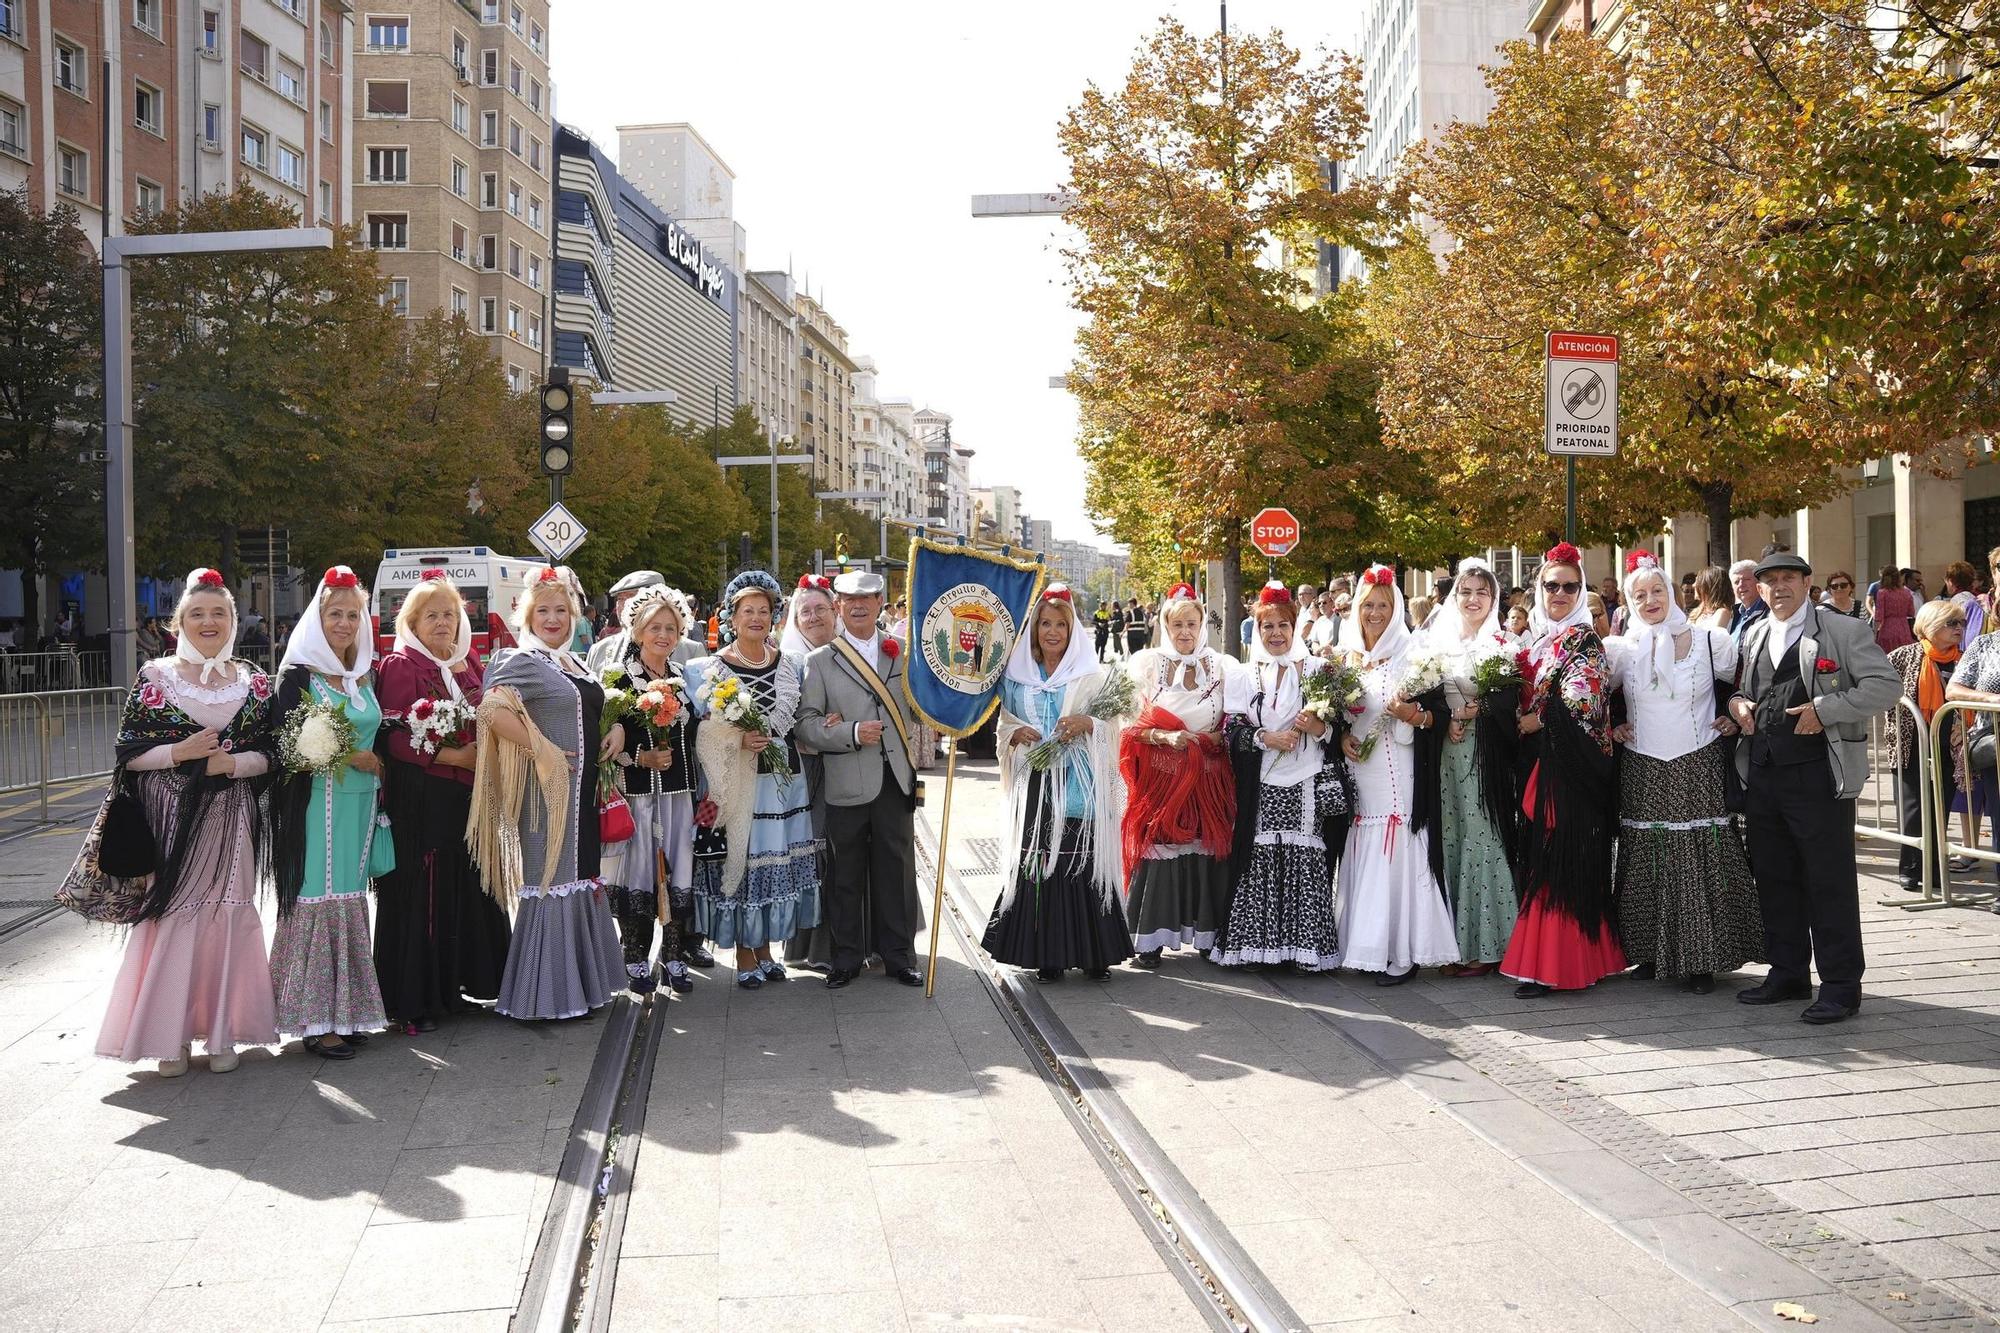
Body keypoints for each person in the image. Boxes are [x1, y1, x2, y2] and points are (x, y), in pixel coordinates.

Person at [92, 569, 279, 1074]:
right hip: (170, 821)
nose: (209, 621)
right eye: (197, 613)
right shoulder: (156, 677)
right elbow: (128, 754)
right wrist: (180, 751)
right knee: (175, 916)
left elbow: (273, 753)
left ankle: (223, 1036)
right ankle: (167, 1038)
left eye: (219, 613)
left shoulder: (255, 684)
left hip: (232, 820)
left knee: (227, 913)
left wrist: (233, 764)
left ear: (234, 621)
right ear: (179, 623)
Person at [1728, 552, 1898, 1023]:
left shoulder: (1841, 630)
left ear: (1808, 583)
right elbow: (1748, 688)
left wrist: (1826, 709)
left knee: (1829, 883)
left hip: (1818, 776)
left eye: (1788, 578)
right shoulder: (1756, 631)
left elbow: (1885, 685)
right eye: (1769, 581)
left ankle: (1841, 986)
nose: (1778, 587)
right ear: (1759, 590)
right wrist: (1739, 703)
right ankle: (1787, 972)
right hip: (1763, 772)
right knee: (1776, 878)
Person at [468, 566, 627, 1021]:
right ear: (526, 614)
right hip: (546, 795)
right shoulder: (518, 660)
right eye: (543, 610)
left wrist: (613, 728)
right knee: (552, 879)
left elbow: (591, 709)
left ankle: (581, 986)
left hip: (584, 791)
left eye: (561, 610)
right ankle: (547, 995)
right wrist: (542, 750)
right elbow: (491, 712)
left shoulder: (575, 662)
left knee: (579, 874)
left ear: (575, 615)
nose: (553, 619)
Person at [1604, 554, 1761, 994]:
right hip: (1643, 762)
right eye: (1639, 595)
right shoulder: (1622, 649)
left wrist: (1732, 714)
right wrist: (1614, 724)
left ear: (1673, 593)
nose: (1649, 600)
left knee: (1697, 851)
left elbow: (1741, 685)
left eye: (1657, 591)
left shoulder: (1713, 641)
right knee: (1648, 852)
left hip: (1698, 758)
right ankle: (1650, 951)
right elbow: (1602, 698)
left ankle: (1701, 958)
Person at [375, 573, 509, 1033]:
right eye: (431, 615)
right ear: (410, 621)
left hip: (468, 794)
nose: (442, 623)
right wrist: (452, 754)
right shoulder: (400, 665)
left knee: (462, 887)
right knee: (425, 894)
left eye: (449, 614)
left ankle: (453, 988)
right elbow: (391, 737)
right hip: (424, 797)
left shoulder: (468, 662)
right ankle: (418, 1001)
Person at [268, 566, 390, 1059]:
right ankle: (314, 1019)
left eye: (352, 614)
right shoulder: (297, 674)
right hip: (315, 806)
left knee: (349, 896)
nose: (344, 623)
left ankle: (346, 1011)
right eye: (334, 614)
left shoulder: (364, 673)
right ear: (316, 619)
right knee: (318, 895)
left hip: (360, 806)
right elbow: (283, 743)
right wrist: (349, 756)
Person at [1500, 543, 1628, 997]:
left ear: (1581, 591)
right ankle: (1567, 958)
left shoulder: (1584, 640)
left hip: (1569, 771)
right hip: (1537, 763)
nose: (1559, 592)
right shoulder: (1535, 639)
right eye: (1551, 585)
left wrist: (1537, 717)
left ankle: (1552, 965)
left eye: (1569, 586)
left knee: (1559, 864)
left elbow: (1584, 700)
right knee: (1542, 859)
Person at [685, 571, 822, 990]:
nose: (757, 618)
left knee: (774, 857)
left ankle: (765, 950)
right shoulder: (704, 669)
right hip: (735, 780)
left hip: (783, 782)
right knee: (741, 857)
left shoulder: (792, 666)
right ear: (732, 617)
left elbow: (796, 721)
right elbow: (700, 732)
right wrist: (737, 737)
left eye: (764, 611)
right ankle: (744, 951)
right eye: (748, 611)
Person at [986, 586, 1130, 981]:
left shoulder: (1090, 678)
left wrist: (1089, 724)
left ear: (1072, 631)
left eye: (1061, 625)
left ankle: (1094, 952)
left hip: (1080, 785)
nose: (1052, 632)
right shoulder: (1015, 679)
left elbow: (1113, 727)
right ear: (1034, 629)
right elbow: (1004, 726)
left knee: (1080, 859)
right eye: (1045, 624)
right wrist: (1014, 736)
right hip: (1035, 783)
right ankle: (1047, 954)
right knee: (1039, 862)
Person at [795, 568, 924, 989]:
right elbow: (806, 725)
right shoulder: (820, 661)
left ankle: (899, 957)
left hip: (894, 778)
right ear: (839, 607)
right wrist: (849, 733)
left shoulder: (904, 653)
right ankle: (845, 958)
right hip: (846, 781)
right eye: (849, 601)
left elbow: (924, 707)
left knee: (897, 871)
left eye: (866, 600)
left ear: (880, 605)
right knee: (844, 874)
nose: (857, 607)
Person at [1329, 567, 1459, 983]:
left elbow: (1438, 715)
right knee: (1367, 843)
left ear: (1396, 607)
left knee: (1400, 845)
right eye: (1368, 604)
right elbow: (1336, 715)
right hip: (1362, 772)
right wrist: (1342, 737)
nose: (1375, 612)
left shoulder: (1413, 653)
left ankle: (1404, 951)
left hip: (1401, 771)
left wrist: (1413, 715)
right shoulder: (1344, 657)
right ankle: (1369, 945)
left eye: (1383, 605)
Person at [1212, 581, 1348, 971]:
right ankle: (1259, 948)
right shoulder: (1243, 675)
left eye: (1282, 626)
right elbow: (1230, 731)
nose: (1275, 634)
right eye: (1267, 627)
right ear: (1258, 631)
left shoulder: (1321, 671)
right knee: (1260, 859)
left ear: (1294, 628)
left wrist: (1318, 727)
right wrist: (1263, 736)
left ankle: (1302, 950)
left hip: (1307, 779)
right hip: (1263, 783)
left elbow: (1341, 734)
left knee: (1305, 858)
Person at [1121, 583, 1236, 968]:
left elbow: (1238, 717)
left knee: (1206, 847)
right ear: (1165, 627)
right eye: (1177, 625)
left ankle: (1206, 935)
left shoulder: (1222, 666)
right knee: (1161, 848)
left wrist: (1220, 736)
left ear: (1202, 625)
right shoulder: (1147, 664)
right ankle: (1151, 938)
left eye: (1191, 623)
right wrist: (1164, 735)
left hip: (1207, 773)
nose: (1185, 632)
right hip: (1163, 773)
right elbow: (1128, 722)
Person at [598, 584, 702, 997]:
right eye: (655, 627)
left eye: (671, 628)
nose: (663, 635)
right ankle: (634, 955)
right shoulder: (617, 680)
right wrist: (640, 758)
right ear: (638, 631)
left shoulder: (684, 678)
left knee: (678, 868)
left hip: (678, 793)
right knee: (640, 872)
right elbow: (605, 745)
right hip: (638, 794)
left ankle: (674, 954)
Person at [1423, 558, 1518, 977]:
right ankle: (1456, 942)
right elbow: (1427, 698)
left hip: (1485, 755)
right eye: (1466, 591)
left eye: (1482, 592)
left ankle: (1491, 945)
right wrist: (1449, 718)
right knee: (1453, 836)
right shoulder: (1436, 645)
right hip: (1446, 754)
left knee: (1484, 836)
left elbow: (1513, 703)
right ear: (1454, 597)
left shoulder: (1506, 644)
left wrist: (1476, 712)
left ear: (1493, 597)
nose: (1474, 599)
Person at [779, 575, 848, 971]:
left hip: (847, 764)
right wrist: (818, 727)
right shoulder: (785, 658)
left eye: (821, 608)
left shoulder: (846, 652)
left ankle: (846, 938)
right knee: (810, 847)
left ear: (833, 611)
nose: (813, 616)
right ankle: (808, 944)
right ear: (795, 617)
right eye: (805, 611)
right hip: (804, 769)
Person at [1886, 599, 1968, 891]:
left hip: (1951, 743)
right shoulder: (1904, 655)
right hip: (1912, 741)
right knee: (1913, 806)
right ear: (1931, 626)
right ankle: (1909, 867)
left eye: (1961, 623)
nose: (1959, 628)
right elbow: (1881, 691)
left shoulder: (1964, 659)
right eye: (1952, 623)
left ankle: (1933, 867)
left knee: (1941, 805)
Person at [585, 570, 667, 674]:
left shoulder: (689, 651)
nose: (623, 605)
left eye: (631, 597)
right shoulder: (600, 649)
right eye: (620, 598)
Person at [1871, 565, 1916, 653]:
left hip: (1887, 629)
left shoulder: (1882, 593)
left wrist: (1875, 633)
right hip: (1904, 629)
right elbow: (1911, 612)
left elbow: (1879, 616)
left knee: (1888, 657)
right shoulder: (1906, 592)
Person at [1728, 560, 1768, 642]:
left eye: (1746, 579)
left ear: (1758, 582)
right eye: (1736, 582)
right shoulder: (1734, 614)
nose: (1741, 585)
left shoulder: (1769, 612)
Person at [1692, 567, 1734, 631]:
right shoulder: (1696, 612)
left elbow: (1712, 639)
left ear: (1708, 586)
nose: (1693, 585)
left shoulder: (1722, 613)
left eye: (1698, 581)